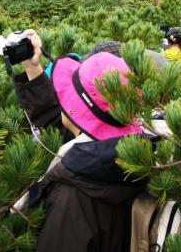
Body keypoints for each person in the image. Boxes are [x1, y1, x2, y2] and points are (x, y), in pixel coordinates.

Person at [12, 31, 148, 252]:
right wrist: (32, 68)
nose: (63, 98)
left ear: (80, 108)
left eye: (68, 93)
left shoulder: (73, 199)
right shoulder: (111, 155)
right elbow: (60, 123)